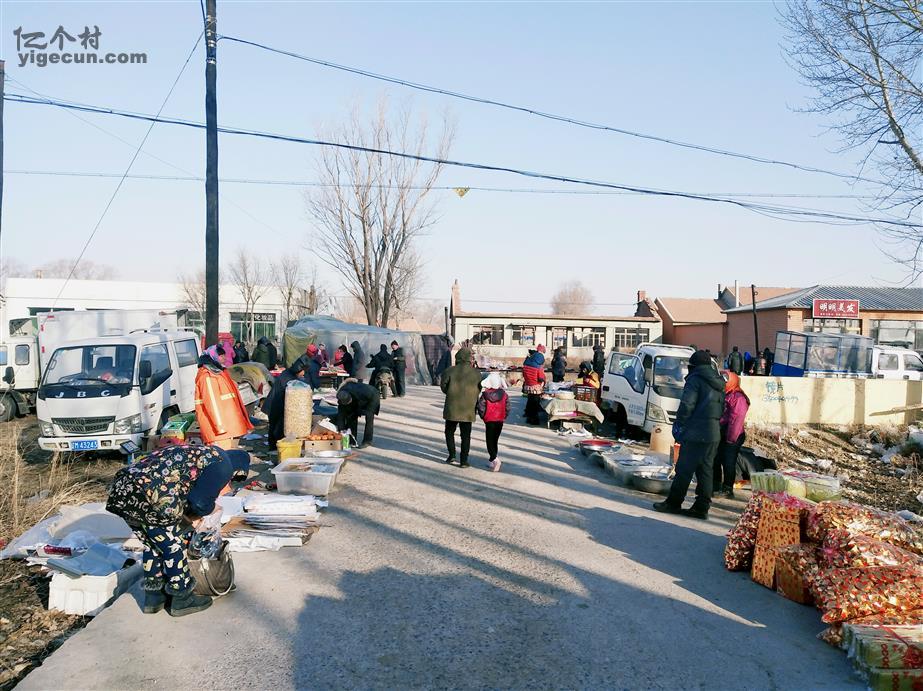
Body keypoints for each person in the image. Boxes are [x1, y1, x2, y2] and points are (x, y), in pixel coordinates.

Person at [105, 444, 234, 616]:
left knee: (152, 545)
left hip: (124, 490)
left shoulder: (203, 453)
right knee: (173, 545)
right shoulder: (223, 464)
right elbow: (200, 503)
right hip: (150, 493)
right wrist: (207, 511)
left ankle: (154, 597)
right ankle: (182, 598)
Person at [653, 349, 725, 520]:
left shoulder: (695, 380)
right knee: (705, 470)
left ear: (694, 366)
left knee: (684, 469)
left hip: (695, 432)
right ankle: (701, 508)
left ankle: (673, 503)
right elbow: (721, 408)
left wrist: (679, 425)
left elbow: (687, 405)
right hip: (713, 432)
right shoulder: (720, 382)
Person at [194, 345, 253, 448]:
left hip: (228, 427)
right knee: (224, 459)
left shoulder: (218, 372)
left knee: (230, 458)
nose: (225, 358)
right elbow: (212, 404)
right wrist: (220, 427)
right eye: (221, 356)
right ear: (214, 357)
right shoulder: (207, 376)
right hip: (220, 431)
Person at [441, 347, 482, 468]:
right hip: (468, 409)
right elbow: (480, 388)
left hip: (452, 407)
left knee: (449, 432)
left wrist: (451, 392)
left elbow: (443, 387)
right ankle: (464, 461)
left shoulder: (449, 371)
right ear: (469, 359)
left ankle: (452, 455)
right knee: (465, 435)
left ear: (458, 358)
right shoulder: (476, 373)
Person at [713, 371, 750, 498]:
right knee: (716, 458)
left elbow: (737, 420)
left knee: (728, 462)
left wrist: (731, 439)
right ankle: (715, 485)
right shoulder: (726, 394)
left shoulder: (739, 398)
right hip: (722, 432)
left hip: (733, 435)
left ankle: (728, 489)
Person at [263, 356, 308, 450]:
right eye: (303, 371)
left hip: (276, 403)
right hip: (276, 404)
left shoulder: (288, 373)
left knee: (275, 427)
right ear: (298, 370)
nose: (304, 374)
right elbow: (290, 395)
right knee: (277, 429)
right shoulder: (288, 378)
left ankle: (274, 448)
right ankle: (275, 449)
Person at [477, 372, 510, 472]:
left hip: (489, 420)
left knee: (489, 440)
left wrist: (483, 417)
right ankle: (492, 459)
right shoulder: (504, 395)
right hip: (499, 420)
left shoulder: (485, 395)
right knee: (495, 440)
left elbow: (481, 407)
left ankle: (495, 459)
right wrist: (504, 416)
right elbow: (508, 407)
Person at [336, 380, 380, 448]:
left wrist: (357, 412)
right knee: (351, 417)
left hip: (372, 396)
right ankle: (352, 440)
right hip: (357, 398)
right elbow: (341, 416)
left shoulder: (359, 394)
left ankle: (367, 441)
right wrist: (341, 430)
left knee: (369, 417)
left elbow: (358, 408)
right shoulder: (341, 395)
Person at [522, 345, 546, 425]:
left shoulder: (526, 365)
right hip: (536, 387)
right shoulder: (538, 367)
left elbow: (524, 375)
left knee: (530, 401)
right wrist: (543, 383)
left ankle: (528, 417)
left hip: (528, 385)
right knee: (535, 404)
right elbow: (541, 377)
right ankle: (534, 420)